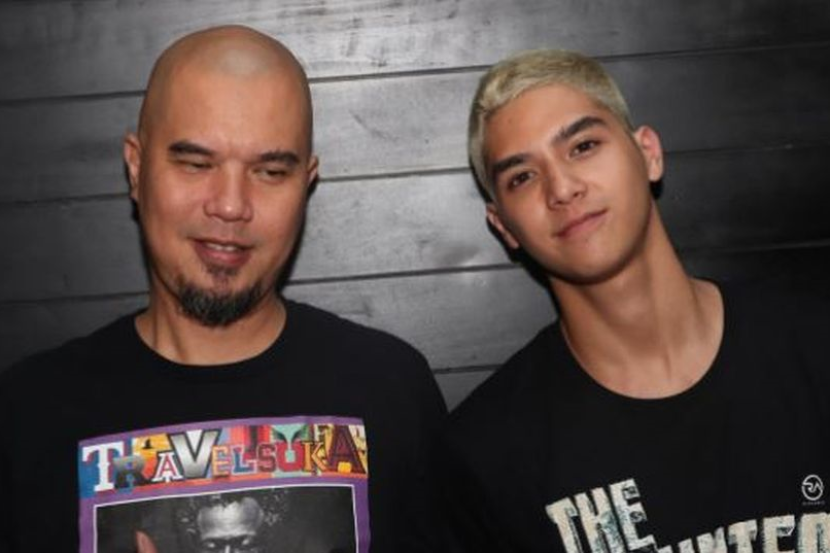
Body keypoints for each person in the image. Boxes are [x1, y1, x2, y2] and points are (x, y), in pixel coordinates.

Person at [0, 26, 447, 553]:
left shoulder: (391, 388)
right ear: (137, 169)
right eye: (196, 164)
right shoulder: (29, 413)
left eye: (270, 171)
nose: (231, 205)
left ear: (305, 183)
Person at [446, 49, 830, 553]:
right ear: (504, 227)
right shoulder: (489, 450)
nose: (562, 188)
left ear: (648, 153)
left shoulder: (815, 343)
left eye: (583, 146)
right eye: (522, 176)